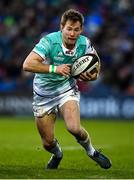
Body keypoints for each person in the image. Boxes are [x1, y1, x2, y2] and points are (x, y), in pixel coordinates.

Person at [23, 9, 111, 169]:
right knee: (47, 142)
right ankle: (57, 154)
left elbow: (95, 68)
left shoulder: (84, 43)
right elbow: (27, 64)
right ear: (61, 27)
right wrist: (54, 69)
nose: (72, 33)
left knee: (74, 128)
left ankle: (92, 152)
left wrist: (91, 76)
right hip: (43, 94)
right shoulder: (49, 41)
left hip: (66, 90)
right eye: (69, 29)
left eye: (76, 29)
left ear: (81, 30)